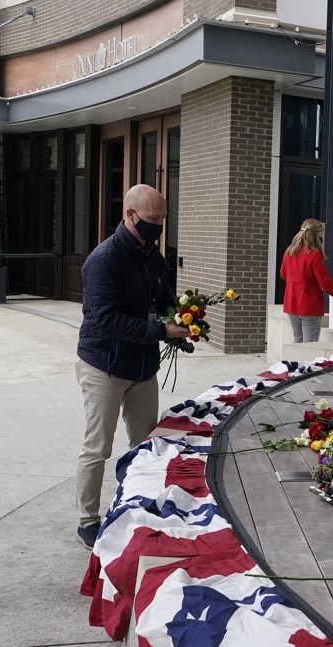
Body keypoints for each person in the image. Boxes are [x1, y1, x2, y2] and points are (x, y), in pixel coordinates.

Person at [74, 184, 189, 549]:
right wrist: (160, 329)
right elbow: (107, 319)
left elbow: (165, 298)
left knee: (145, 446)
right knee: (98, 448)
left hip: (143, 368)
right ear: (130, 215)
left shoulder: (153, 257)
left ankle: (134, 506)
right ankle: (87, 521)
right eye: (153, 219)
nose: (159, 226)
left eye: (162, 219)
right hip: (104, 366)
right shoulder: (104, 259)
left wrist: (183, 318)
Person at [280, 218, 333, 343]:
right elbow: (325, 282)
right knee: (310, 345)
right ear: (316, 235)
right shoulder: (314, 254)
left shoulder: (289, 252)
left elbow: (283, 275)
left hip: (292, 303)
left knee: (297, 341)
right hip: (309, 305)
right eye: (321, 234)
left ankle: (294, 362)